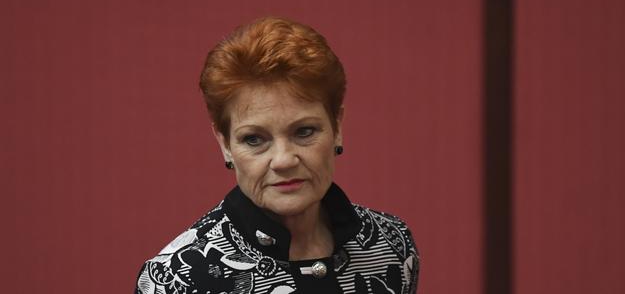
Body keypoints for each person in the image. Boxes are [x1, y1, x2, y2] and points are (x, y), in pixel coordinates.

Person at [134, 17, 419, 294]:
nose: (283, 160)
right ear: (225, 145)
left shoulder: (391, 246)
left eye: (304, 131)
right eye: (254, 139)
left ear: (337, 127)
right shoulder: (176, 280)